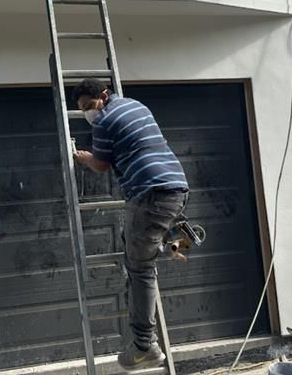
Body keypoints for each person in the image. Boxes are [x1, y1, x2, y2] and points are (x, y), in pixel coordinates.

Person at [72, 78, 189, 372]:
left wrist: (85, 158)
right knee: (137, 246)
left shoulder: (104, 122)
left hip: (149, 195)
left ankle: (143, 347)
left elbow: (101, 165)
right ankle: (170, 241)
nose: (88, 113)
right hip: (176, 188)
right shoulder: (136, 105)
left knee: (140, 269)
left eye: (88, 106)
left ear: (103, 95)